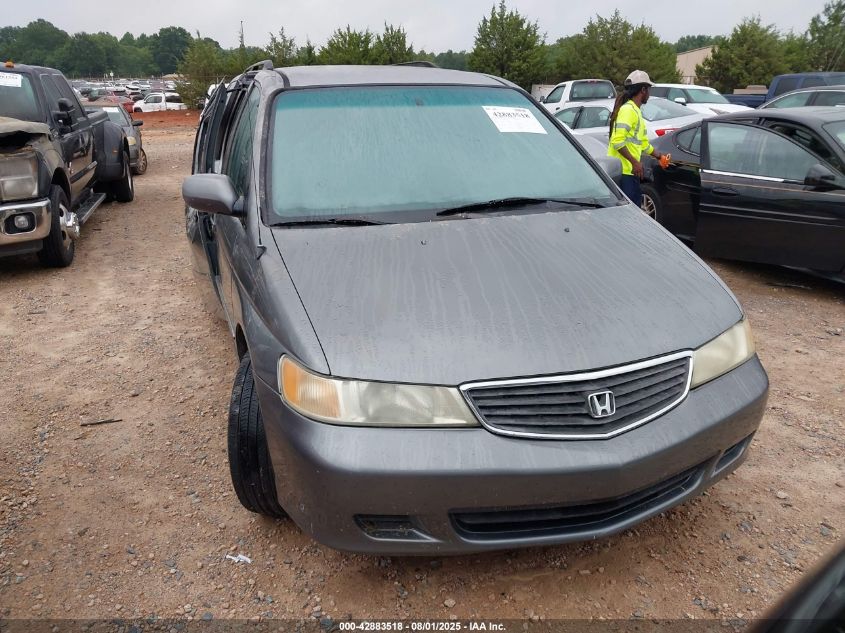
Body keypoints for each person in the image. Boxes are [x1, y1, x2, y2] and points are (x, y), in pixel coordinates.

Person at [607, 70, 667, 207]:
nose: (649, 94)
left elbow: (643, 144)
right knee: (627, 217)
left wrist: (659, 156)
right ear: (643, 90)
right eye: (649, 90)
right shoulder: (628, 110)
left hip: (630, 172)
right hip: (623, 173)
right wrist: (635, 162)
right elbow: (617, 141)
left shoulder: (635, 111)